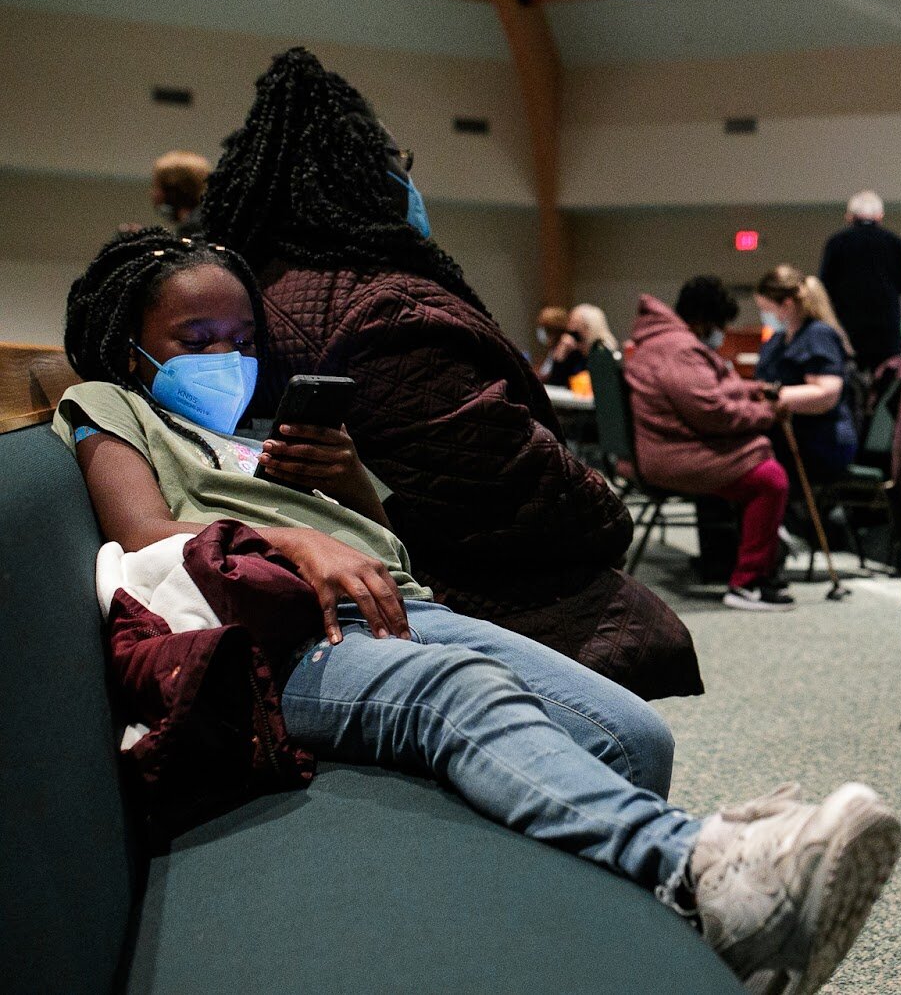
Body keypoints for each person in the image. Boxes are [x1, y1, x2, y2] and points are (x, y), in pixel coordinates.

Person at [56, 227, 901, 994]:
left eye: (242, 341)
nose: (226, 359)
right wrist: (294, 538)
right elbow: (141, 532)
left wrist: (345, 479)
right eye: (195, 342)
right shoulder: (111, 405)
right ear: (131, 353)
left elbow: (383, 542)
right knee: (454, 690)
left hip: (389, 598)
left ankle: (652, 934)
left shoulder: (260, 429)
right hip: (269, 632)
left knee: (633, 737)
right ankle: (696, 868)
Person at [199, 48, 699, 701]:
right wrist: (608, 511)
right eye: (398, 164)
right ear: (367, 175)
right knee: (634, 698)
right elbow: (518, 489)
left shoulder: (255, 289)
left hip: (337, 569)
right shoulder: (383, 309)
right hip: (429, 583)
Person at [625, 276, 794, 612]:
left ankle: (755, 555)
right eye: (718, 325)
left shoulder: (660, 341)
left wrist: (750, 391)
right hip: (672, 456)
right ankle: (748, 584)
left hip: (663, 449)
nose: (719, 334)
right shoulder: (680, 349)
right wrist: (765, 414)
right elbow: (712, 412)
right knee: (769, 478)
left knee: (757, 461)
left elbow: (706, 392)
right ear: (702, 321)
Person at [754, 265, 858, 485]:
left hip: (820, 441)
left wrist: (771, 398)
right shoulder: (776, 341)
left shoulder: (818, 335)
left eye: (766, 308)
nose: (765, 316)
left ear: (787, 304)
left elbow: (826, 394)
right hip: (788, 436)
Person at [818, 191, 901, 374]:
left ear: (849, 217)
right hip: (886, 335)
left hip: (848, 333)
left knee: (852, 387)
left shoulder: (837, 243)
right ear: (880, 216)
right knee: (885, 386)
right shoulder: (894, 242)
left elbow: (823, 287)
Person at [543, 303, 617, 388]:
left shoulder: (603, 351)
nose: (569, 328)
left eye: (574, 324)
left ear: (588, 328)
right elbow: (555, 384)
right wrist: (559, 359)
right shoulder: (573, 352)